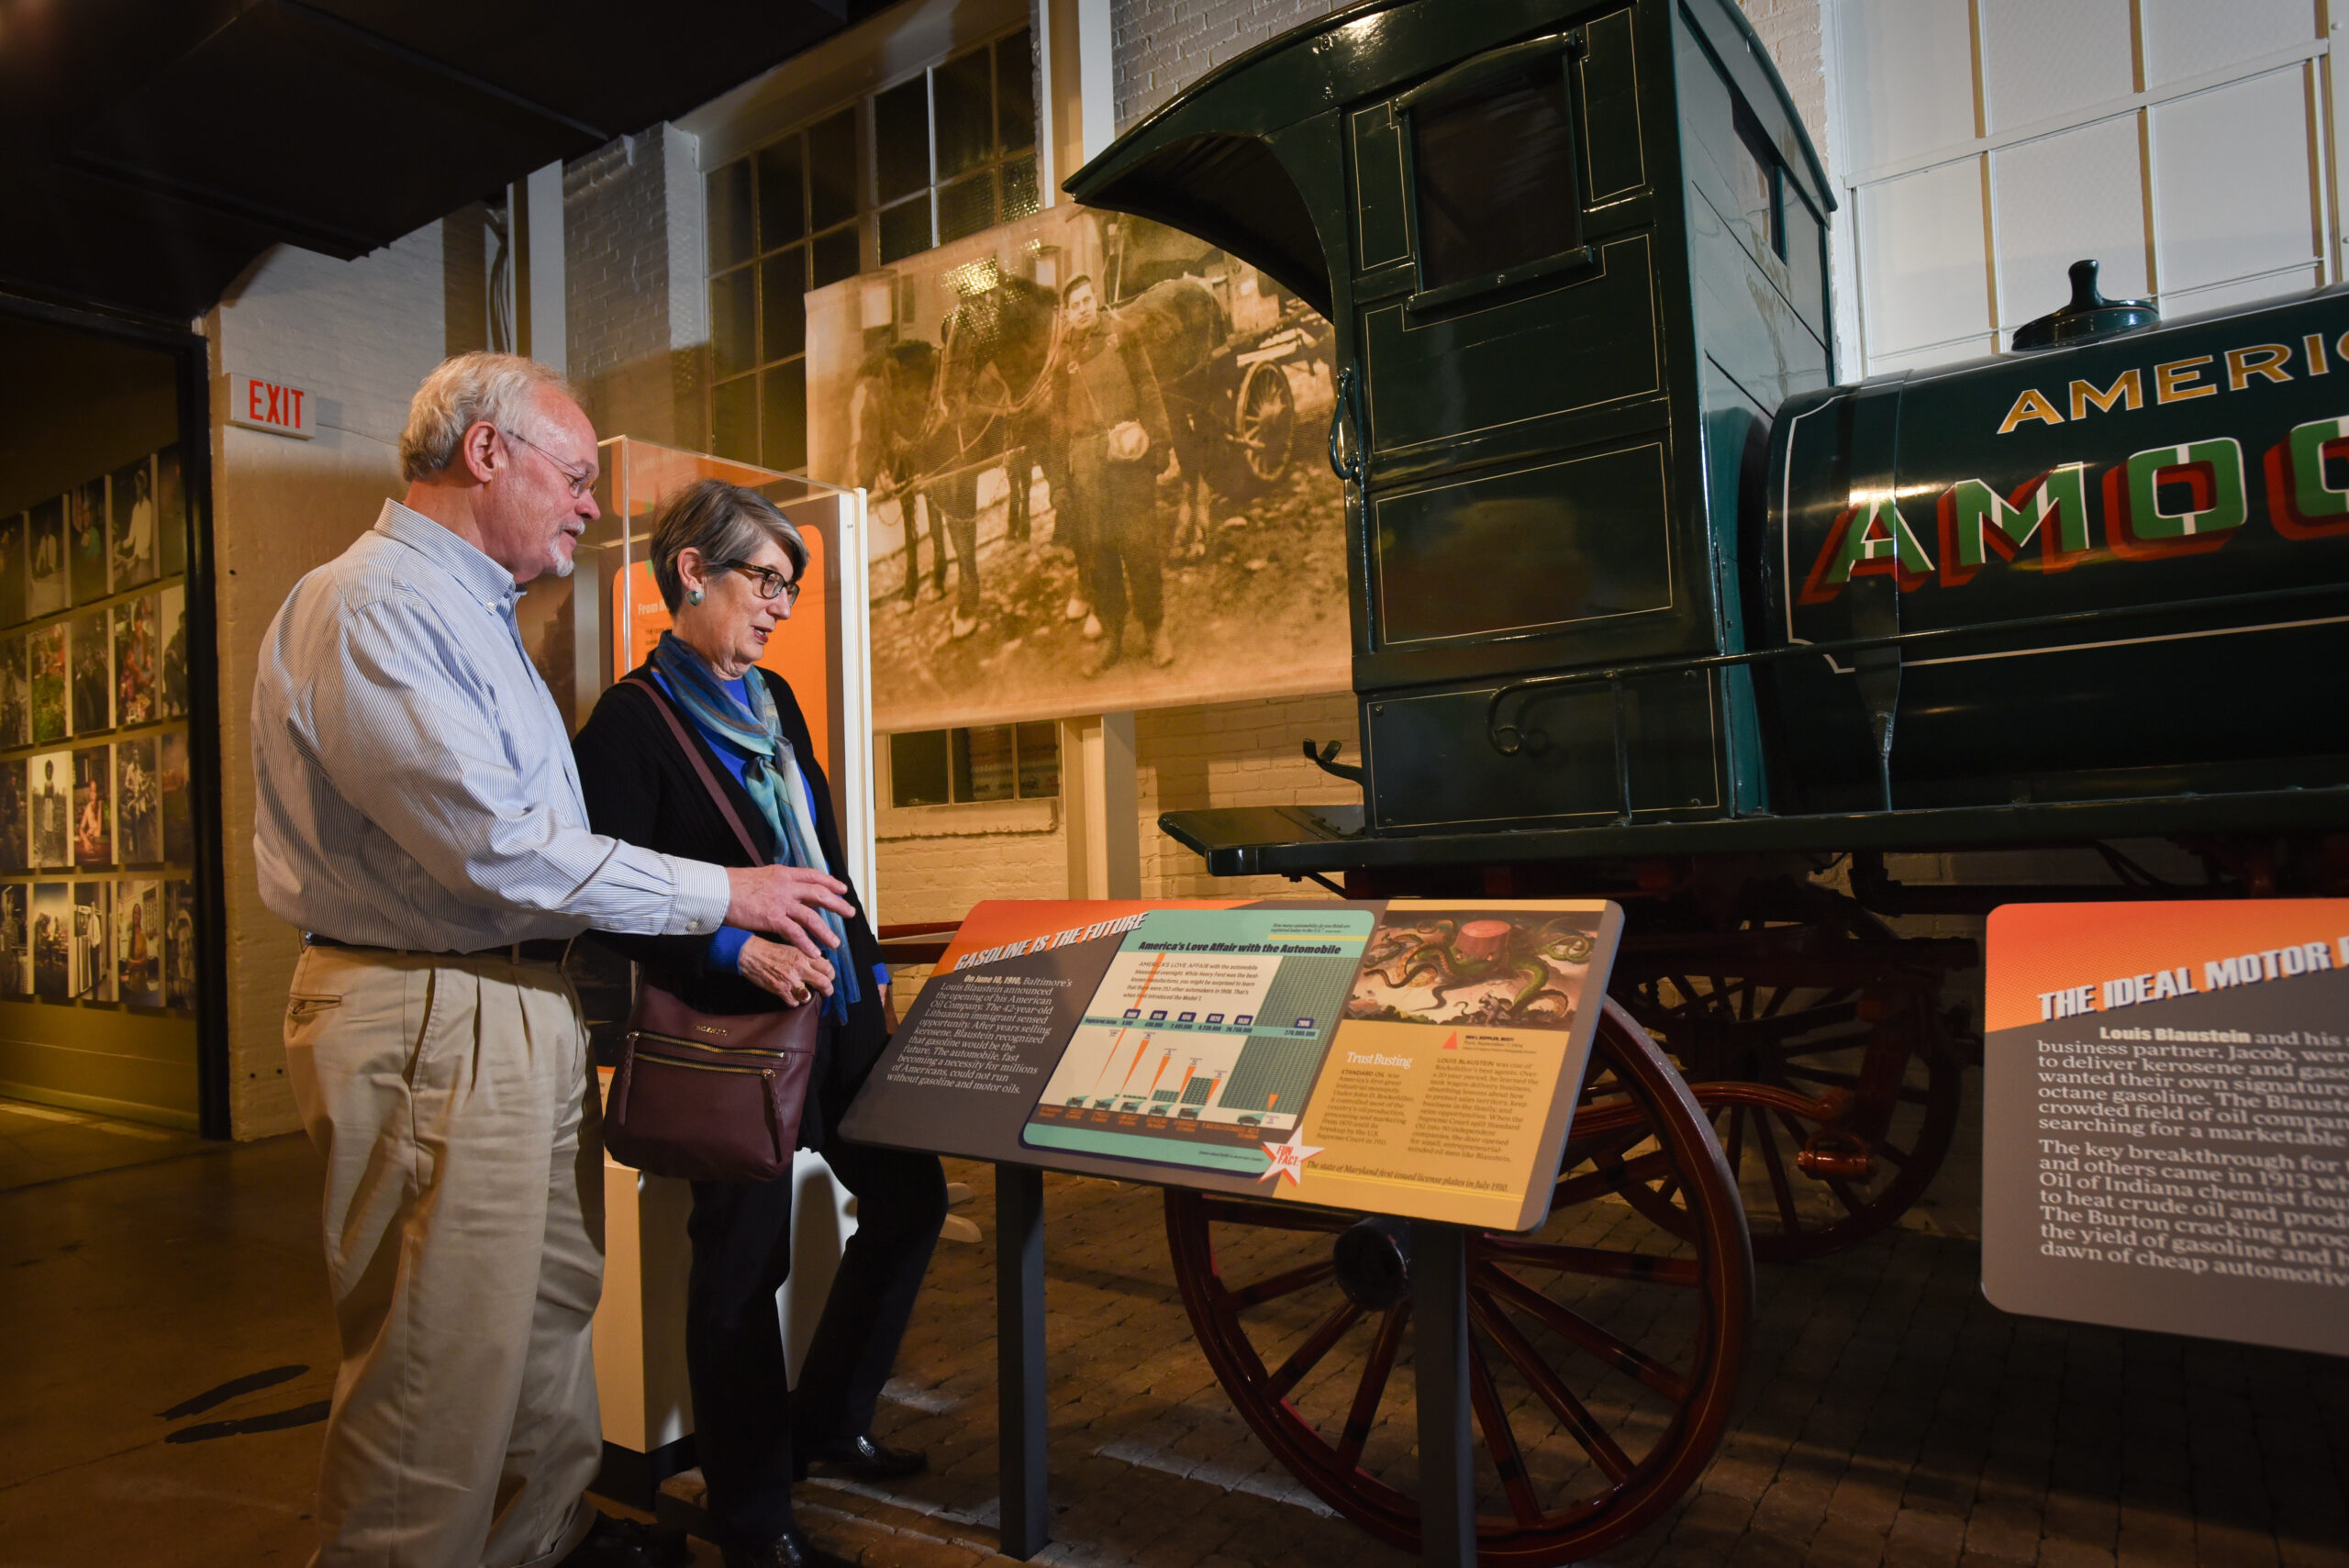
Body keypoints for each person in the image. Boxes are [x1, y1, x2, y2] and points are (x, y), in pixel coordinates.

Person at [251, 352, 858, 1568]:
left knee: (541, 1328)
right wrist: (723, 900)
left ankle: (538, 1546)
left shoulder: (475, 618)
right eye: (576, 475)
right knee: (438, 1373)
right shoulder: (375, 605)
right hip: (432, 1006)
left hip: (513, 1002)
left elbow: (547, 851)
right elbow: (503, 849)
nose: (592, 504)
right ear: (487, 453)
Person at [571, 479, 947, 1568]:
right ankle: (753, 1518)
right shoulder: (629, 726)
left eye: (791, 584)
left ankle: (825, 1418)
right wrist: (736, 945)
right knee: (739, 1271)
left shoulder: (773, 697)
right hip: (731, 1037)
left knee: (910, 1196)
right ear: (693, 572)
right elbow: (607, 899)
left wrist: (863, 967)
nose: (781, 605)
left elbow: (819, 859)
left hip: (834, 1015)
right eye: (766, 581)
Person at [1054, 275, 1176, 675]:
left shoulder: (1121, 336)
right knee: (1099, 559)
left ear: (1096, 300)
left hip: (1128, 457)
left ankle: (1155, 630)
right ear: (1067, 314)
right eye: (1075, 304)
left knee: (1140, 548)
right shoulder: (1061, 359)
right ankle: (1113, 637)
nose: (1084, 308)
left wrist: (1160, 442)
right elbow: (1056, 425)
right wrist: (1059, 482)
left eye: (1088, 299)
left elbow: (1147, 386)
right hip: (1087, 470)